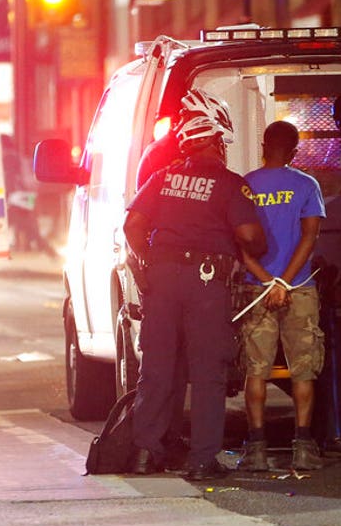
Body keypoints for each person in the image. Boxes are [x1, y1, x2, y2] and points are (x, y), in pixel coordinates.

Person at [123, 88, 267, 482]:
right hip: (205, 282)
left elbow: (133, 225)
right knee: (207, 371)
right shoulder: (228, 183)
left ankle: (144, 453)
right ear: (217, 143)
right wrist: (252, 242)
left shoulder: (160, 177)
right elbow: (251, 235)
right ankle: (203, 459)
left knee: (156, 369)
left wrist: (148, 261)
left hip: (162, 279)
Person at [235, 121, 327, 472]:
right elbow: (310, 238)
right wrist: (285, 283)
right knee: (304, 370)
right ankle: (303, 447)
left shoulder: (246, 185)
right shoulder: (307, 185)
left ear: (263, 145)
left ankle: (256, 450)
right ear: (294, 151)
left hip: (255, 289)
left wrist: (266, 281)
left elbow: (238, 244)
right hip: (299, 287)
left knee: (255, 370)